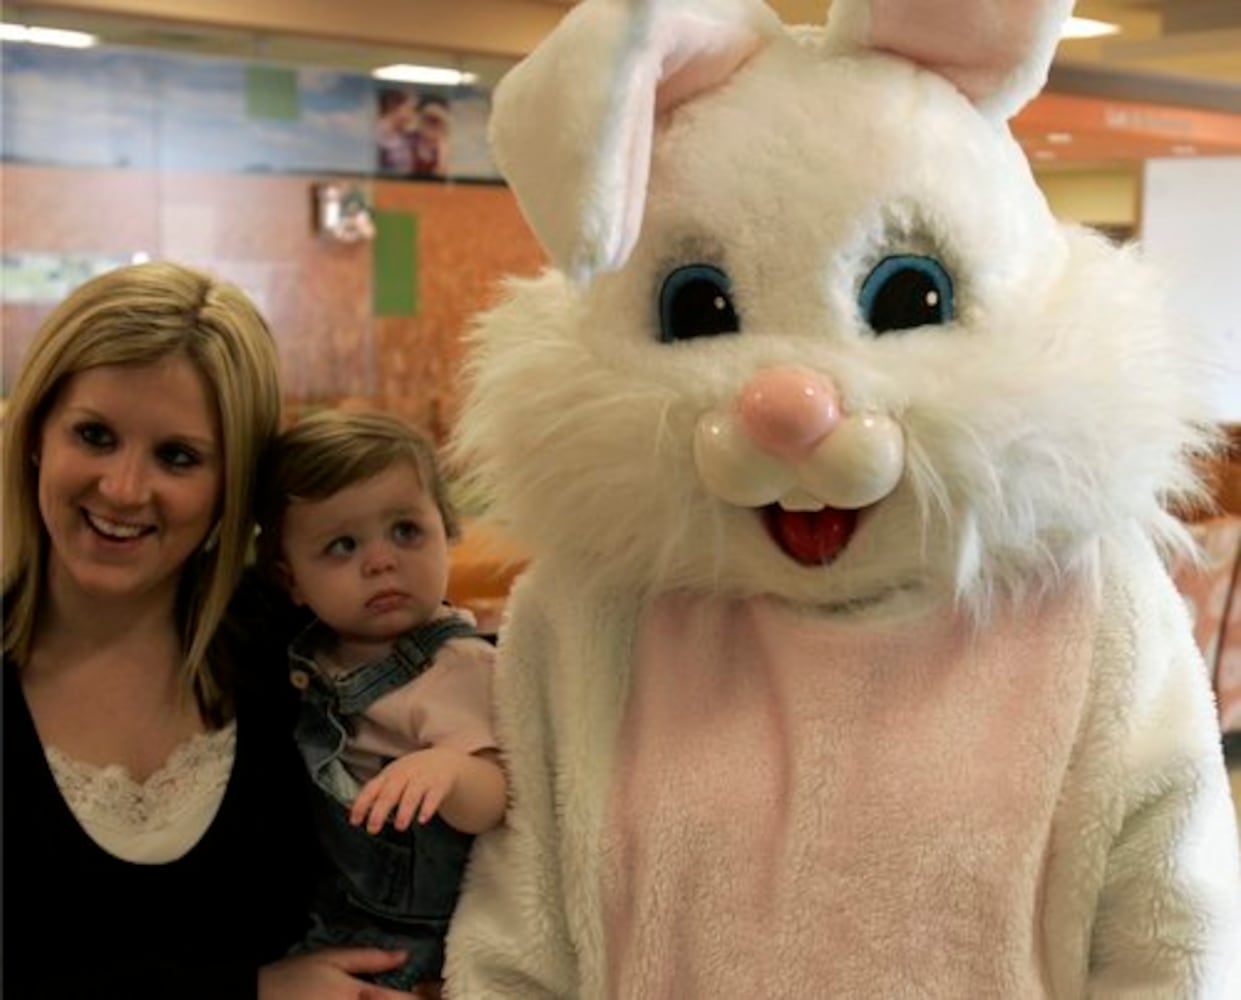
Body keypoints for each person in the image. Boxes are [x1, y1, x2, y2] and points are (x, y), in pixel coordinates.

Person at [1, 261, 415, 999]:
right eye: (94, 436)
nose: (124, 490)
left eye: (178, 457)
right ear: (35, 434)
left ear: (233, 485)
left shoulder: (301, 650)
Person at [254, 409, 508, 996]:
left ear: (447, 530)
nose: (381, 561)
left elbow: (495, 796)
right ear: (290, 578)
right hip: (331, 917)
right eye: (342, 546)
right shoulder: (309, 655)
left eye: (406, 531)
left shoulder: (454, 666)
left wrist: (451, 769)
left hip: (419, 940)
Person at [377, 88, 417, 175]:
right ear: (394, 106)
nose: (411, 116)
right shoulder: (373, 135)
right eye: (409, 109)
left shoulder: (405, 139)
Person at [409, 96, 451, 178]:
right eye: (428, 121)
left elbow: (441, 174)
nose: (432, 126)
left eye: (436, 122)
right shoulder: (410, 141)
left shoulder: (442, 147)